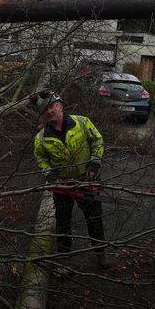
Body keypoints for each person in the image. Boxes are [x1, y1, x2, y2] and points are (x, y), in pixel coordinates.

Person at [31, 91, 112, 269]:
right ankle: (64, 258)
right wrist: (51, 176)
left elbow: (97, 141)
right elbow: (41, 159)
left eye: (52, 107)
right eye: (45, 110)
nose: (49, 111)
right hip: (62, 185)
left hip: (86, 180)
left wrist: (94, 165)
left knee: (94, 219)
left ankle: (100, 253)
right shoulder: (42, 138)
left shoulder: (82, 122)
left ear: (60, 106)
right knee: (63, 223)